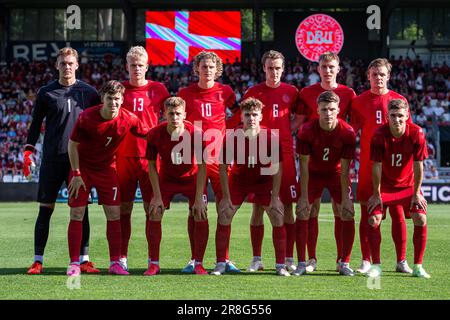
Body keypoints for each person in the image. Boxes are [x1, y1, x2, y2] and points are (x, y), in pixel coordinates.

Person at [24, 47, 101, 275]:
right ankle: (38, 260)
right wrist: (28, 150)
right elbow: (36, 124)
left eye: (70, 63)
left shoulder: (89, 93)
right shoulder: (46, 92)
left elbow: (97, 125)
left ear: (77, 65)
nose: (66, 66)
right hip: (52, 159)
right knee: (45, 208)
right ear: (57, 65)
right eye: (63, 63)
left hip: (79, 160)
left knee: (81, 210)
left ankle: (84, 260)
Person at [66, 80, 149, 276]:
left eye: (117, 99)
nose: (113, 102)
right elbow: (72, 145)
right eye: (109, 98)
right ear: (102, 99)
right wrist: (76, 173)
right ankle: (74, 264)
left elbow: (148, 135)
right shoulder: (87, 117)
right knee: (76, 214)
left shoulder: (129, 119)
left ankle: (115, 263)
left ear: (122, 100)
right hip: (83, 169)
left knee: (114, 214)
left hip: (106, 169)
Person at [228, 50, 300, 272]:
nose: (274, 72)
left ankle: (288, 258)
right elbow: (241, 117)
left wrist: (286, 133)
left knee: (286, 206)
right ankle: (256, 259)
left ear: (283, 69)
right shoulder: (254, 91)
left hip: (285, 155)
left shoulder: (292, 91)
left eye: (278, 68)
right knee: (258, 207)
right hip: (258, 154)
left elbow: (300, 117)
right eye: (270, 67)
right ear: (264, 68)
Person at [350, 58, 413, 274]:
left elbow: (410, 135)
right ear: (368, 75)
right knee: (368, 214)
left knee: (397, 214)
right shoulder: (358, 102)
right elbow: (352, 135)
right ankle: (366, 260)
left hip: (395, 169)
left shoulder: (399, 100)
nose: (378, 78)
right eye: (374, 74)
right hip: (369, 166)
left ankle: (401, 260)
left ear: (389, 76)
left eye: (382, 74)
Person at [177, 51, 238, 273]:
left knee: (225, 208)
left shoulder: (226, 91)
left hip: (219, 158)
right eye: (204, 67)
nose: (208, 70)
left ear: (217, 69)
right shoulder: (185, 93)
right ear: (196, 69)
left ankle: (224, 259)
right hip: (195, 159)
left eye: (212, 67)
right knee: (196, 208)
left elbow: (239, 114)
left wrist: (226, 134)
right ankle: (195, 259)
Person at [295, 52, 356, 273]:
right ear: (317, 69)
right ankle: (306, 261)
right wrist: (302, 195)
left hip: (337, 170)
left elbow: (346, 166)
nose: (328, 70)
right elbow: (302, 163)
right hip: (313, 170)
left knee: (346, 211)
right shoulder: (306, 123)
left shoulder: (349, 101)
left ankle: (344, 262)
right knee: (305, 211)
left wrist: (347, 195)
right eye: (324, 66)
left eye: (331, 66)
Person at [214, 97, 289, 276]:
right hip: (239, 180)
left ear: (261, 116)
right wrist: (225, 197)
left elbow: (277, 169)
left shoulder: (270, 136)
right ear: (241, 117)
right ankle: (220, 263)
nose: (251, 118)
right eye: (247, 115)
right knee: (224, 214)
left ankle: (280, 265)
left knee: (277, 216)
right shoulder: (232, 136)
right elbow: (223, 167)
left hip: (263, 181)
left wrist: (275, 197)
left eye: (255, 114)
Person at [116, 46, 170, 271]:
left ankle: (153, 261)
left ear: (147, 66)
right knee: (123, 209)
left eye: (141, 65)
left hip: (150, 158)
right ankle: (121, 258)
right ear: (126, 67)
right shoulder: (119, 90)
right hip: (123, 157)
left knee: (153, 209)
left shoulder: (159, 89)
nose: (137, 69)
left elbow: (170, 119)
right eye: (133, 65)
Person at [367, 99, 430, 279]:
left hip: (408, 186)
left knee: (420, 218)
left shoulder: (417, 133)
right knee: (373, 219)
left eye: (401, 116)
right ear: (387, 117)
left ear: (407, 116)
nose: (397, 119)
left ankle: (417, 266)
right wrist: (376, 194)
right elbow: (376, 166)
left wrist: (417, 193)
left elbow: (419, 165)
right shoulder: (379, 134)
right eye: (393, 116)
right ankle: (376, 265)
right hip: (386, 186)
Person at [145, 97, 208, 275]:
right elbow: (151, 165)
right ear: (164, 114)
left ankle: (198, 263)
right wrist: (157, 196)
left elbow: (203, 165)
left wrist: (198, 198)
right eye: (171, 113)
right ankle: (154, 264)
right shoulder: (155, 134)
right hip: (167, 179)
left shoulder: (196, 133)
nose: (174, 117)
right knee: (155, 211)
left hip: (192, 178)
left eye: (178, 113)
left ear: (185, 115)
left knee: (200, 213)